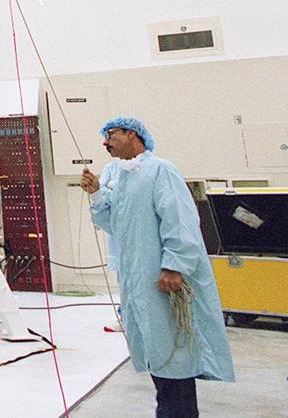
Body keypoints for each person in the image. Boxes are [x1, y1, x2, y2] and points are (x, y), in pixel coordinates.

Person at [80, 116, 234, 417]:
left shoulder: (161, 170)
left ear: (132, 134)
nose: (105, 142)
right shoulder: (118, 175)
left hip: (162, 276)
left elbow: (181, 221)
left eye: (111, 134)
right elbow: (112, 224)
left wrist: (173, 266)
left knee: (175, 349)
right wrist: (96, 193)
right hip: (137, 279)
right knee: (156, 348)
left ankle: (177, 412)